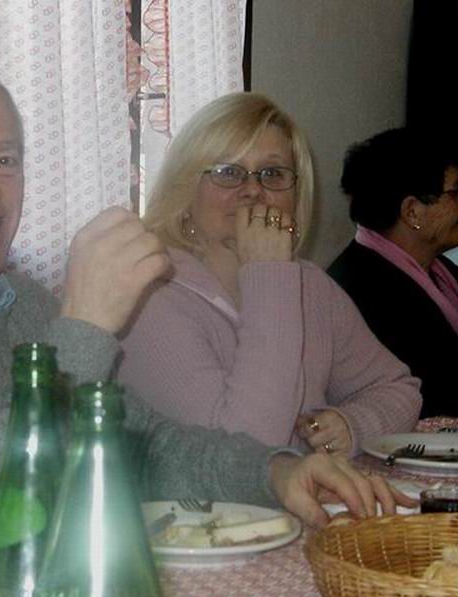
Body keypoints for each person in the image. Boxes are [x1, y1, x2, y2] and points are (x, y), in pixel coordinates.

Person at [0, 56, 411, 597]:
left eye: (5, 160)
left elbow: (147, 445)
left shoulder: (23, 305)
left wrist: (272, 472)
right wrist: (85, 322)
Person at [117, 93, 421, 457]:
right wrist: (269, 275)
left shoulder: (310, 285)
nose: (253, 190)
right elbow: (244, 455)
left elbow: (398, 389)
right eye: (228, 172)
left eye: (273, 174)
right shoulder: (150, 295)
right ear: (185, 191)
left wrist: (352, 425)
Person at [327, 127, 458, 418]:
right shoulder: (361, 291)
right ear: (412, 211)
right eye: (455, 193)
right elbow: (439, 393)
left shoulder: (443, 272)